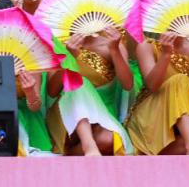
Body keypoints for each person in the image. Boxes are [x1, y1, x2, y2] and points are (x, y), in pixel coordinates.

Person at [125, 32, 189, 155]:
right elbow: (152, 86)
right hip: (152, 114)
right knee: (180, 80)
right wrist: (165, 54)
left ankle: (173, 147)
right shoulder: (147, 45)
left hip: (184, 116)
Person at [47, 27, 134, 156]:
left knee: (107, 140)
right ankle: (88, 144)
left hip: (102, 114)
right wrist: (69, 58)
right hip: (66, 115)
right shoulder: (58, 46)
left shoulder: (112, 43)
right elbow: (52, 91)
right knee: (79, 82)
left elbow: (127, 84)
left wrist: (115, 50)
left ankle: (71, 153)